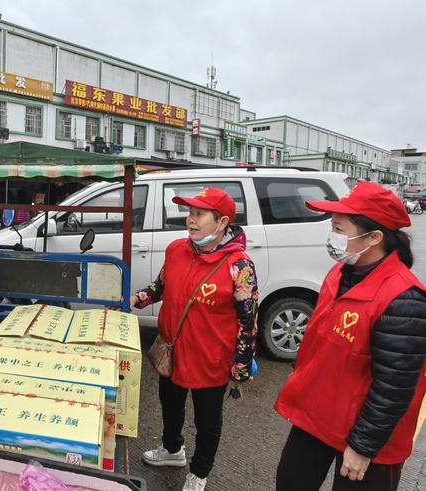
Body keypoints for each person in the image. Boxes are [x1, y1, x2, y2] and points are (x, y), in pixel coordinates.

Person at [274, 181, 426, 491]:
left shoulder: (404, 301)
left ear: (374, 238)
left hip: (367, 435)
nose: (332, 237)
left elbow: (394, 387)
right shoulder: (341, 273)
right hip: (318, 415)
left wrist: (362, 446)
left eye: (339, 228)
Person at [137, 187, 259, 491]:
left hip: (211, 358)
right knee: (170, 404)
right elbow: (161, 285)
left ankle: (200, 472)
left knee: (207, 421)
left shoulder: (240, 267)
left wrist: (240, 367)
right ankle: (172, 450)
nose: (190, 220)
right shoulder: (177, 249)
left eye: (199, 214)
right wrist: (139, 297)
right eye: (189, 213)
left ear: (222, 222)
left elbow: (248, 321)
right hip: (173, 348)